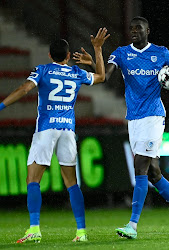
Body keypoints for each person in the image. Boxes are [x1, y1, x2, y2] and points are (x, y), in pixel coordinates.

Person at [73, 16, 169, 239]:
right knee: (153, 173)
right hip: (134, 119)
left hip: (153, 116)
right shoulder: (121, 53)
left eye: (138, 28)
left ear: (147, 30)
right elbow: (104, 76)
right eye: (131, 29)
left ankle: (132, 225)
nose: (133, 31)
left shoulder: (161, 53)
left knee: (140, 167)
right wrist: (96, 55)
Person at [0, 28, 110, 243]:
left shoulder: (42, 70)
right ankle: (81, 232)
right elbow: (102, 76)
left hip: (46, 129)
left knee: (33, 179)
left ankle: (34, 229)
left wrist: (1, 105)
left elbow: (24, 89)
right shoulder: (77, 73)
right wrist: (97, 50)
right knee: (71, 183)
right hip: (68, 130)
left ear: (50, 55)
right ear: (69, 56)